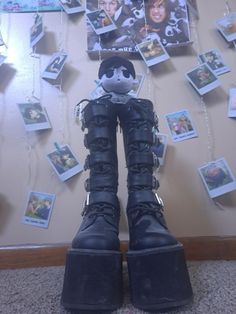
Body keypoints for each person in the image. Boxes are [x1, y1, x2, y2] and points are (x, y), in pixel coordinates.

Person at [61, 56, 193, 312]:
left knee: (139, 112)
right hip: (101, 201)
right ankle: (102, 209)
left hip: (142, 200)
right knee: (99, 119)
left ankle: (143, 210)